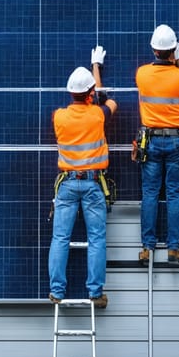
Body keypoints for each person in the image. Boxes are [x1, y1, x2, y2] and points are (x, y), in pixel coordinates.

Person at [48, 46, 118, 308]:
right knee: (96, 238)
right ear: (90, 93)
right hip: (92, 183)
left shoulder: (59, 116)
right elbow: (109, 102)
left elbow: (92, 98)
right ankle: (95, 293)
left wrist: (92, 76)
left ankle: (56, 291)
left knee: (60, 238)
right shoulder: (98, 114)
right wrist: (96, 67)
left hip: (66, 184)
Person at [135, 24, 179, 266]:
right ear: (174, 50)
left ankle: (147, 248)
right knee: (174, 194)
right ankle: (173, 248)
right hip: (176, 140)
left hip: (150, 140)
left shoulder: (142, 73)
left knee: (150, 193)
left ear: (154, 49)